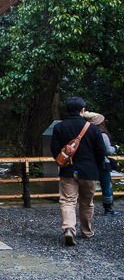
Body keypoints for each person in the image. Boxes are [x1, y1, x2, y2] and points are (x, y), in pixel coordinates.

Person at [50, 97, 106, 246]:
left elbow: (55, 150)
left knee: (68, 200)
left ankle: (69, 229)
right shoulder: (93, 128)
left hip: (68, 169)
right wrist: (98, 166)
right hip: (89, 171)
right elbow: (101, 151)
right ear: (82, 110)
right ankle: (86, 231)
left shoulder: (59, 127)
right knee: (87, 202)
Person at [83, 111, 120, 216]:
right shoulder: (102, 134)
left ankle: (87, 207)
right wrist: (115, 148)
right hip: (102, 163)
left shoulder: (86, 132)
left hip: (89, 162)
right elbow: (108, 150)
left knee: (88, 186)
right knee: (106, 186)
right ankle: (108, 209)